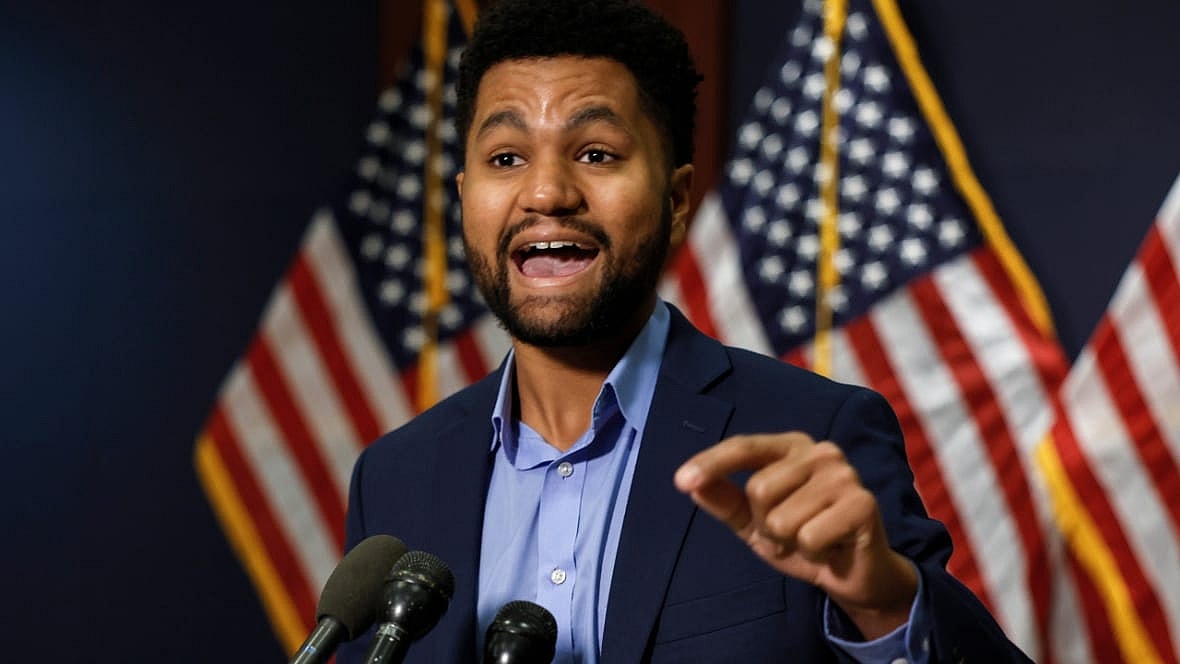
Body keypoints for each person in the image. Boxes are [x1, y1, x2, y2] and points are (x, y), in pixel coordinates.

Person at [340, 0, 1031, 661]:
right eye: (506, 159)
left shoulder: (817, 435)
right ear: (465, 200)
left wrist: (884, 604)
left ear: (675, 202)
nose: (546, 193)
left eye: (597, 154)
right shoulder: (395, 479)